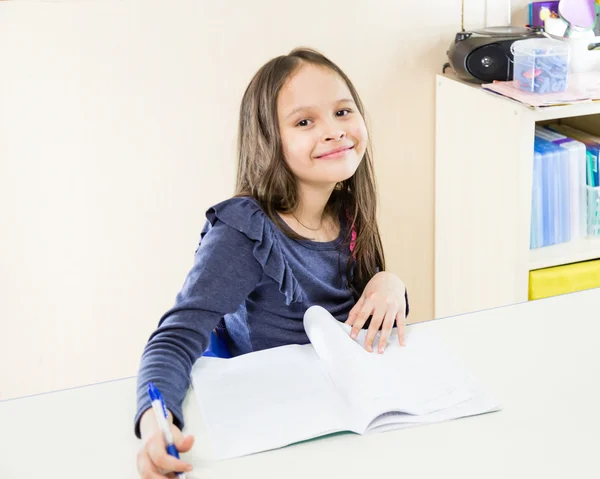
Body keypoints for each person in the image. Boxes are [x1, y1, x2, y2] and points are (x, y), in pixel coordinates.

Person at [134, 46, 410, 478]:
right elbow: (173, 339)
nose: (335, 131)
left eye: (343, 112)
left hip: (357, 419)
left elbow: (368, 315)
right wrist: (157, 426)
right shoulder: (244, 233)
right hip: (285, 436)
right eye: (305, 121)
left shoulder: (346, 209)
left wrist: (391, 283)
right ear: (268, 140)